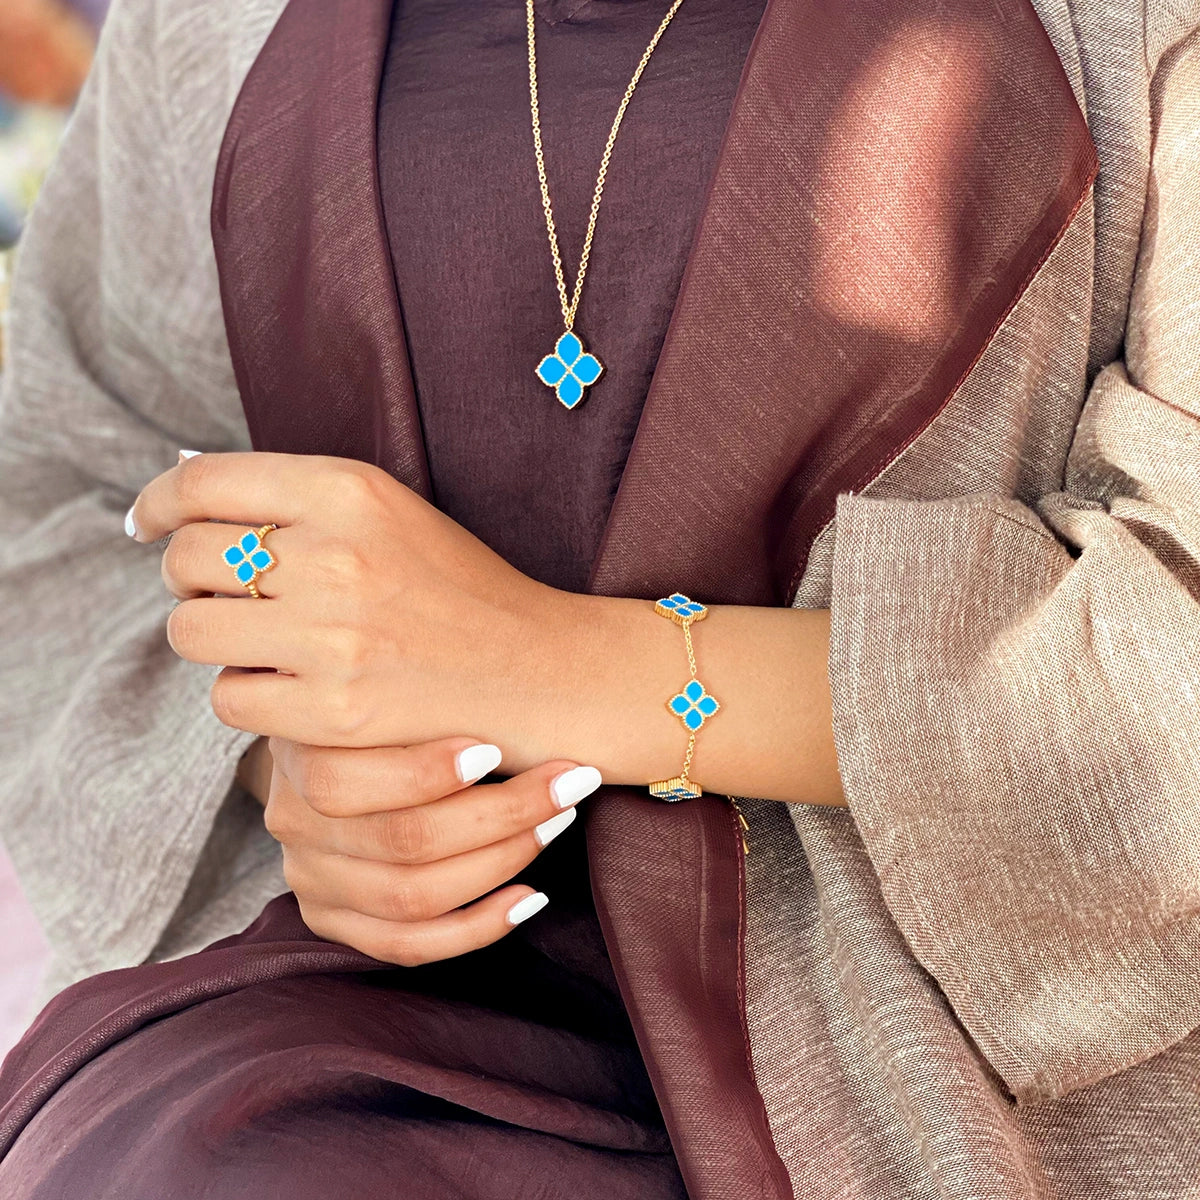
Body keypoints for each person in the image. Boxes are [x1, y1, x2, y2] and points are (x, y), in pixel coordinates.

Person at [0, 0, 1198, 1196]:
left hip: (922, 1057)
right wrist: (292, 753)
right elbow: (59, 496)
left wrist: (550, 668)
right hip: (340, 1012)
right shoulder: (208, 22)